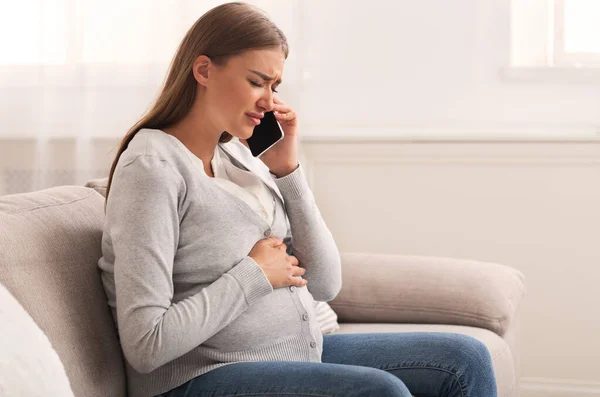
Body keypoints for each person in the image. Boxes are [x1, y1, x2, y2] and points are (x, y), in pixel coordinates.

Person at [98, 2, 498, 397]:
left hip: (289, 354)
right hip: (199, 377)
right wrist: (255, 275)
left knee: (465, 358)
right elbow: (146, 344)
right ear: (203, 70)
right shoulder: (153, 166)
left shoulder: (237, 156)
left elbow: (325, 283)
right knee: (381, 391)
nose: (269, 102)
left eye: (275, 86)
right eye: (257, 82)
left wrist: (287, 171)